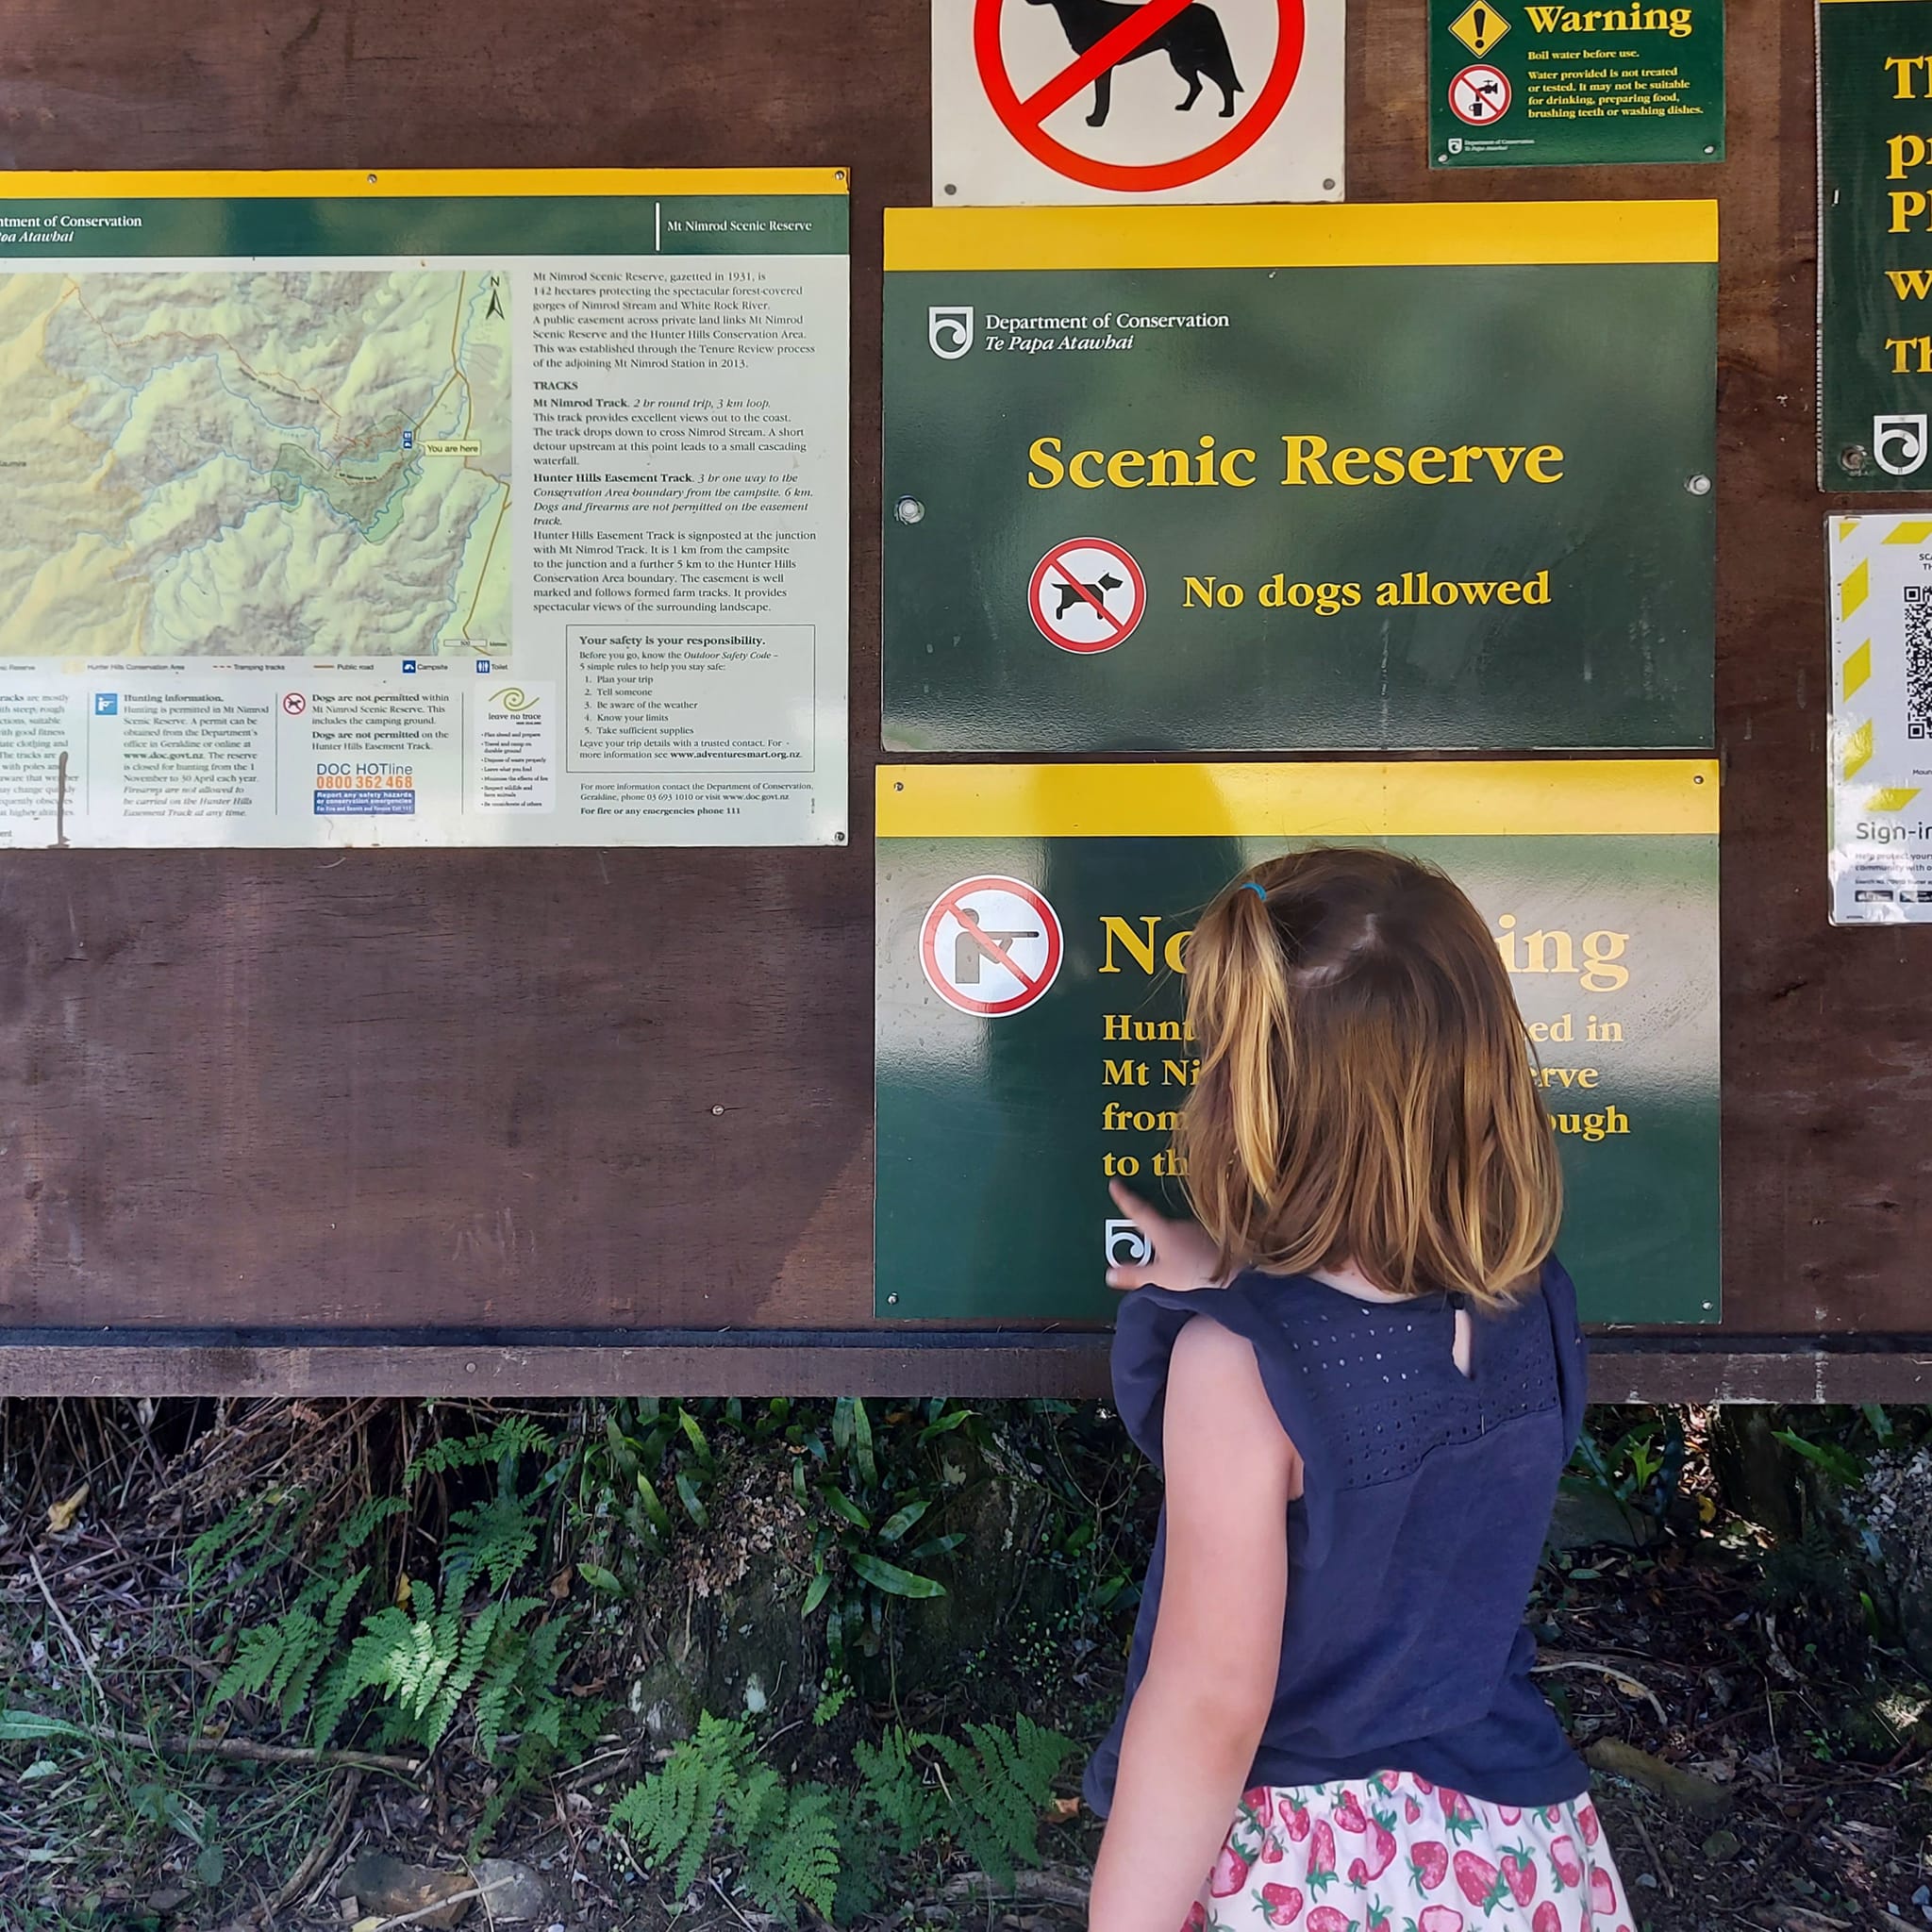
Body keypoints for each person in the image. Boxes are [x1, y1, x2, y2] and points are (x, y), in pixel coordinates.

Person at [1085, 846, 1631, 1932]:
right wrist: (1224, 1270)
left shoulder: (1235, 1374)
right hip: (1506, 1847)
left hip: (1319, 1870)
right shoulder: (1529, 1300)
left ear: (1248, 1103)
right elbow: (1385, 1360)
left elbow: (1208, 1706)